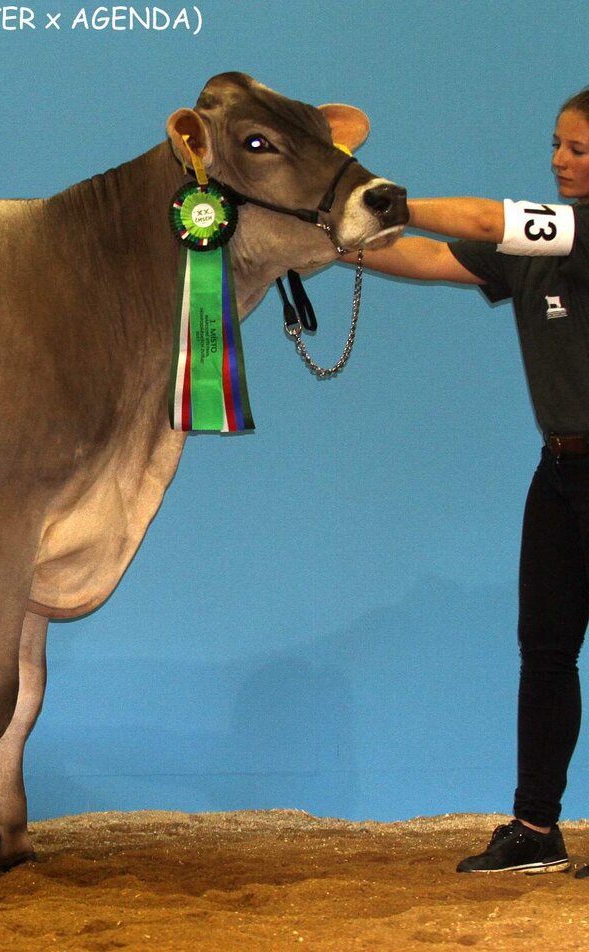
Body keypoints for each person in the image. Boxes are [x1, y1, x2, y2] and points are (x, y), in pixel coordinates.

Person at [354, 88, 589, 874]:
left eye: (578, 150)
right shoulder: (536, 247)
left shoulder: (573, 229)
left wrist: (394, 203)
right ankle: (535, 828)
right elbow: (426, 259)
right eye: (556, 144)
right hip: (560, 468)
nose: (559, 160)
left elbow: (488, 220)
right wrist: (329, 238)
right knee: (546, 651)